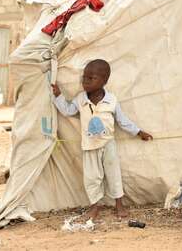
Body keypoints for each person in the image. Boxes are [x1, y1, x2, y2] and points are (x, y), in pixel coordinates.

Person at [51, 59, 153, 220]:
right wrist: (58, 96)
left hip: (108, 144)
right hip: (89, 146)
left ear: (104, 81)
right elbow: (68, 111)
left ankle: (119, 204)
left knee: (114, 174)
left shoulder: (111, 100)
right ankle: (94, 207)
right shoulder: (81, 99)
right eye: (84, 77)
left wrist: (139, 132)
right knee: (92, 178)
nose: (86, 81)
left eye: (91, 78)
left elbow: (122, 121)